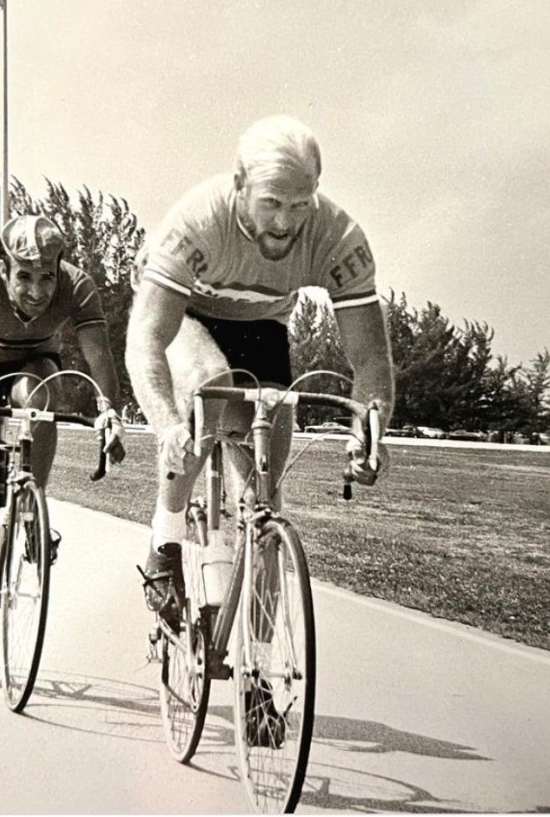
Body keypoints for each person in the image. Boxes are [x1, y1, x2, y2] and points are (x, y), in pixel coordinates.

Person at [125, 116, 395, 712]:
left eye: (300, 204)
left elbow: (371, 359)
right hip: (190, 321)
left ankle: (260, 675)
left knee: (267, 502)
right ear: (240, 183)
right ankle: (166, 539)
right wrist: (167, 424)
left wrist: (368, 433)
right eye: (271, 202)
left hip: (265, 329)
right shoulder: (198, 220)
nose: (284, 222)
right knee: (211, 390)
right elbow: (145, 338)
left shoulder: (338, 235)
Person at [0, 214, 127, 648]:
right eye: (24, 277)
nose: (37, 292)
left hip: (33, 364)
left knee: (41, 397)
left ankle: (31, 502)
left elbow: (99, 354)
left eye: (47, 277)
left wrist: (109, 411)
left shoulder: (78, 287)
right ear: (3, 268)